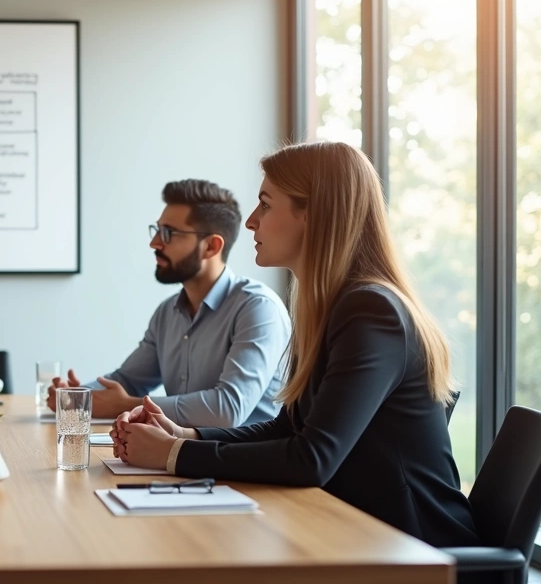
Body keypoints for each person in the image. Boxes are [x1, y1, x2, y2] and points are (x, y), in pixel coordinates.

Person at [113, 142, 479, 548]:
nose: (251, 222)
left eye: (266, 205)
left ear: (314, 214)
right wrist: (186, 436)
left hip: (416, 551)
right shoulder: (333, 307)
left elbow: (313, 459)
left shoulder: (371, 312)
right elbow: (287, 428)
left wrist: (172, 455)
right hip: (358, 533)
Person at [48, 179, 290, 426]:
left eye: (169, 234)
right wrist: (74, 396)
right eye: (157, 231)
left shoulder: (258, 309)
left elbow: (226, 410)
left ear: (211, 246)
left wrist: (126, 405)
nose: (154, 244)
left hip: (242, 462)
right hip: (178, 456)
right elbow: (128, 380)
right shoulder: (167, 312)